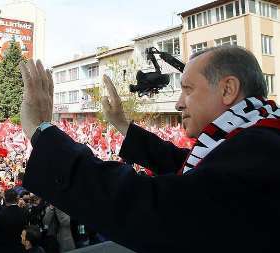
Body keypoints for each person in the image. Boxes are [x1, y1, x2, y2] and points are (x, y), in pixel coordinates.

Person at [18, 47, 280, 252]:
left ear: (227, 90)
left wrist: (42, 131)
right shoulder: (255, 138)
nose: (178, 103)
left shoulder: (259, 150)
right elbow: (182, 162)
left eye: (187, 89)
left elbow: (152, 206)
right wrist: (122, 124)